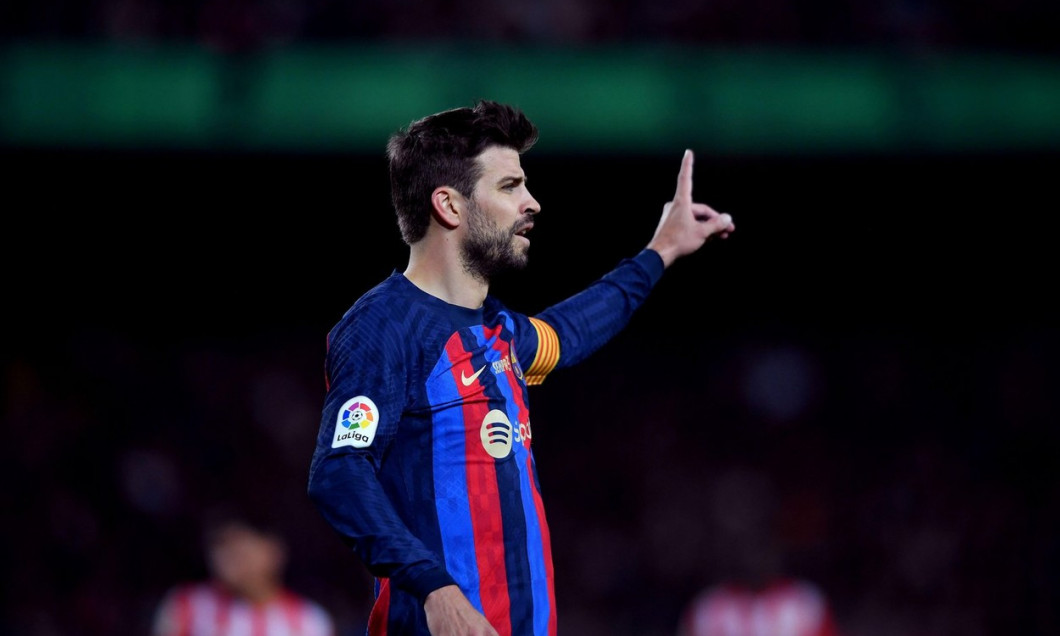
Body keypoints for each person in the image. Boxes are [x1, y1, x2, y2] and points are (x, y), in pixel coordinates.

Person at [306, 98, 735, 636]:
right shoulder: (384, 326)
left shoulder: (500, 334)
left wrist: (660, 251)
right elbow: (339, 470)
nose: (532, 202)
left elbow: (574, 328)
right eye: (510, 186)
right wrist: (434, 588)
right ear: (450, 205)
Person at [150, 507, 336, 636]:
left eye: (241, 550)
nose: (230, 560)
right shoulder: (186, 606)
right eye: (221, 547)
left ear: (273, 550)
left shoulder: (308, 620)